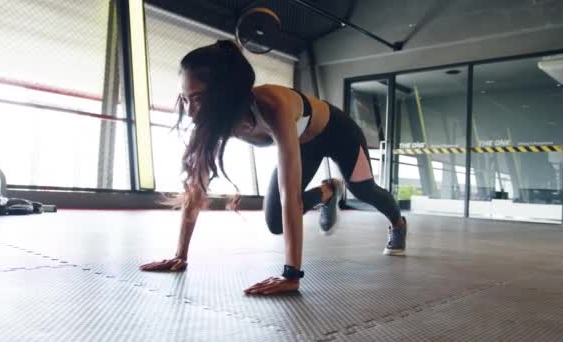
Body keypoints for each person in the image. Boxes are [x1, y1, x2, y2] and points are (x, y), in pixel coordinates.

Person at [140, 40, 407, 295]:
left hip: (338, 132)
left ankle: (398, 223)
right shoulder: (214, 121)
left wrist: (291, 275)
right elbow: (196, 187)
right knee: (275, 221)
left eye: (197, 99)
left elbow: (289, 193)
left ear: (224, 93)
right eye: (185, 99)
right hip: (303, 143)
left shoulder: (271, 105)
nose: (189, 111)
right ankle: (328, 192)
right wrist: (180, 255)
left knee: (364, 190)